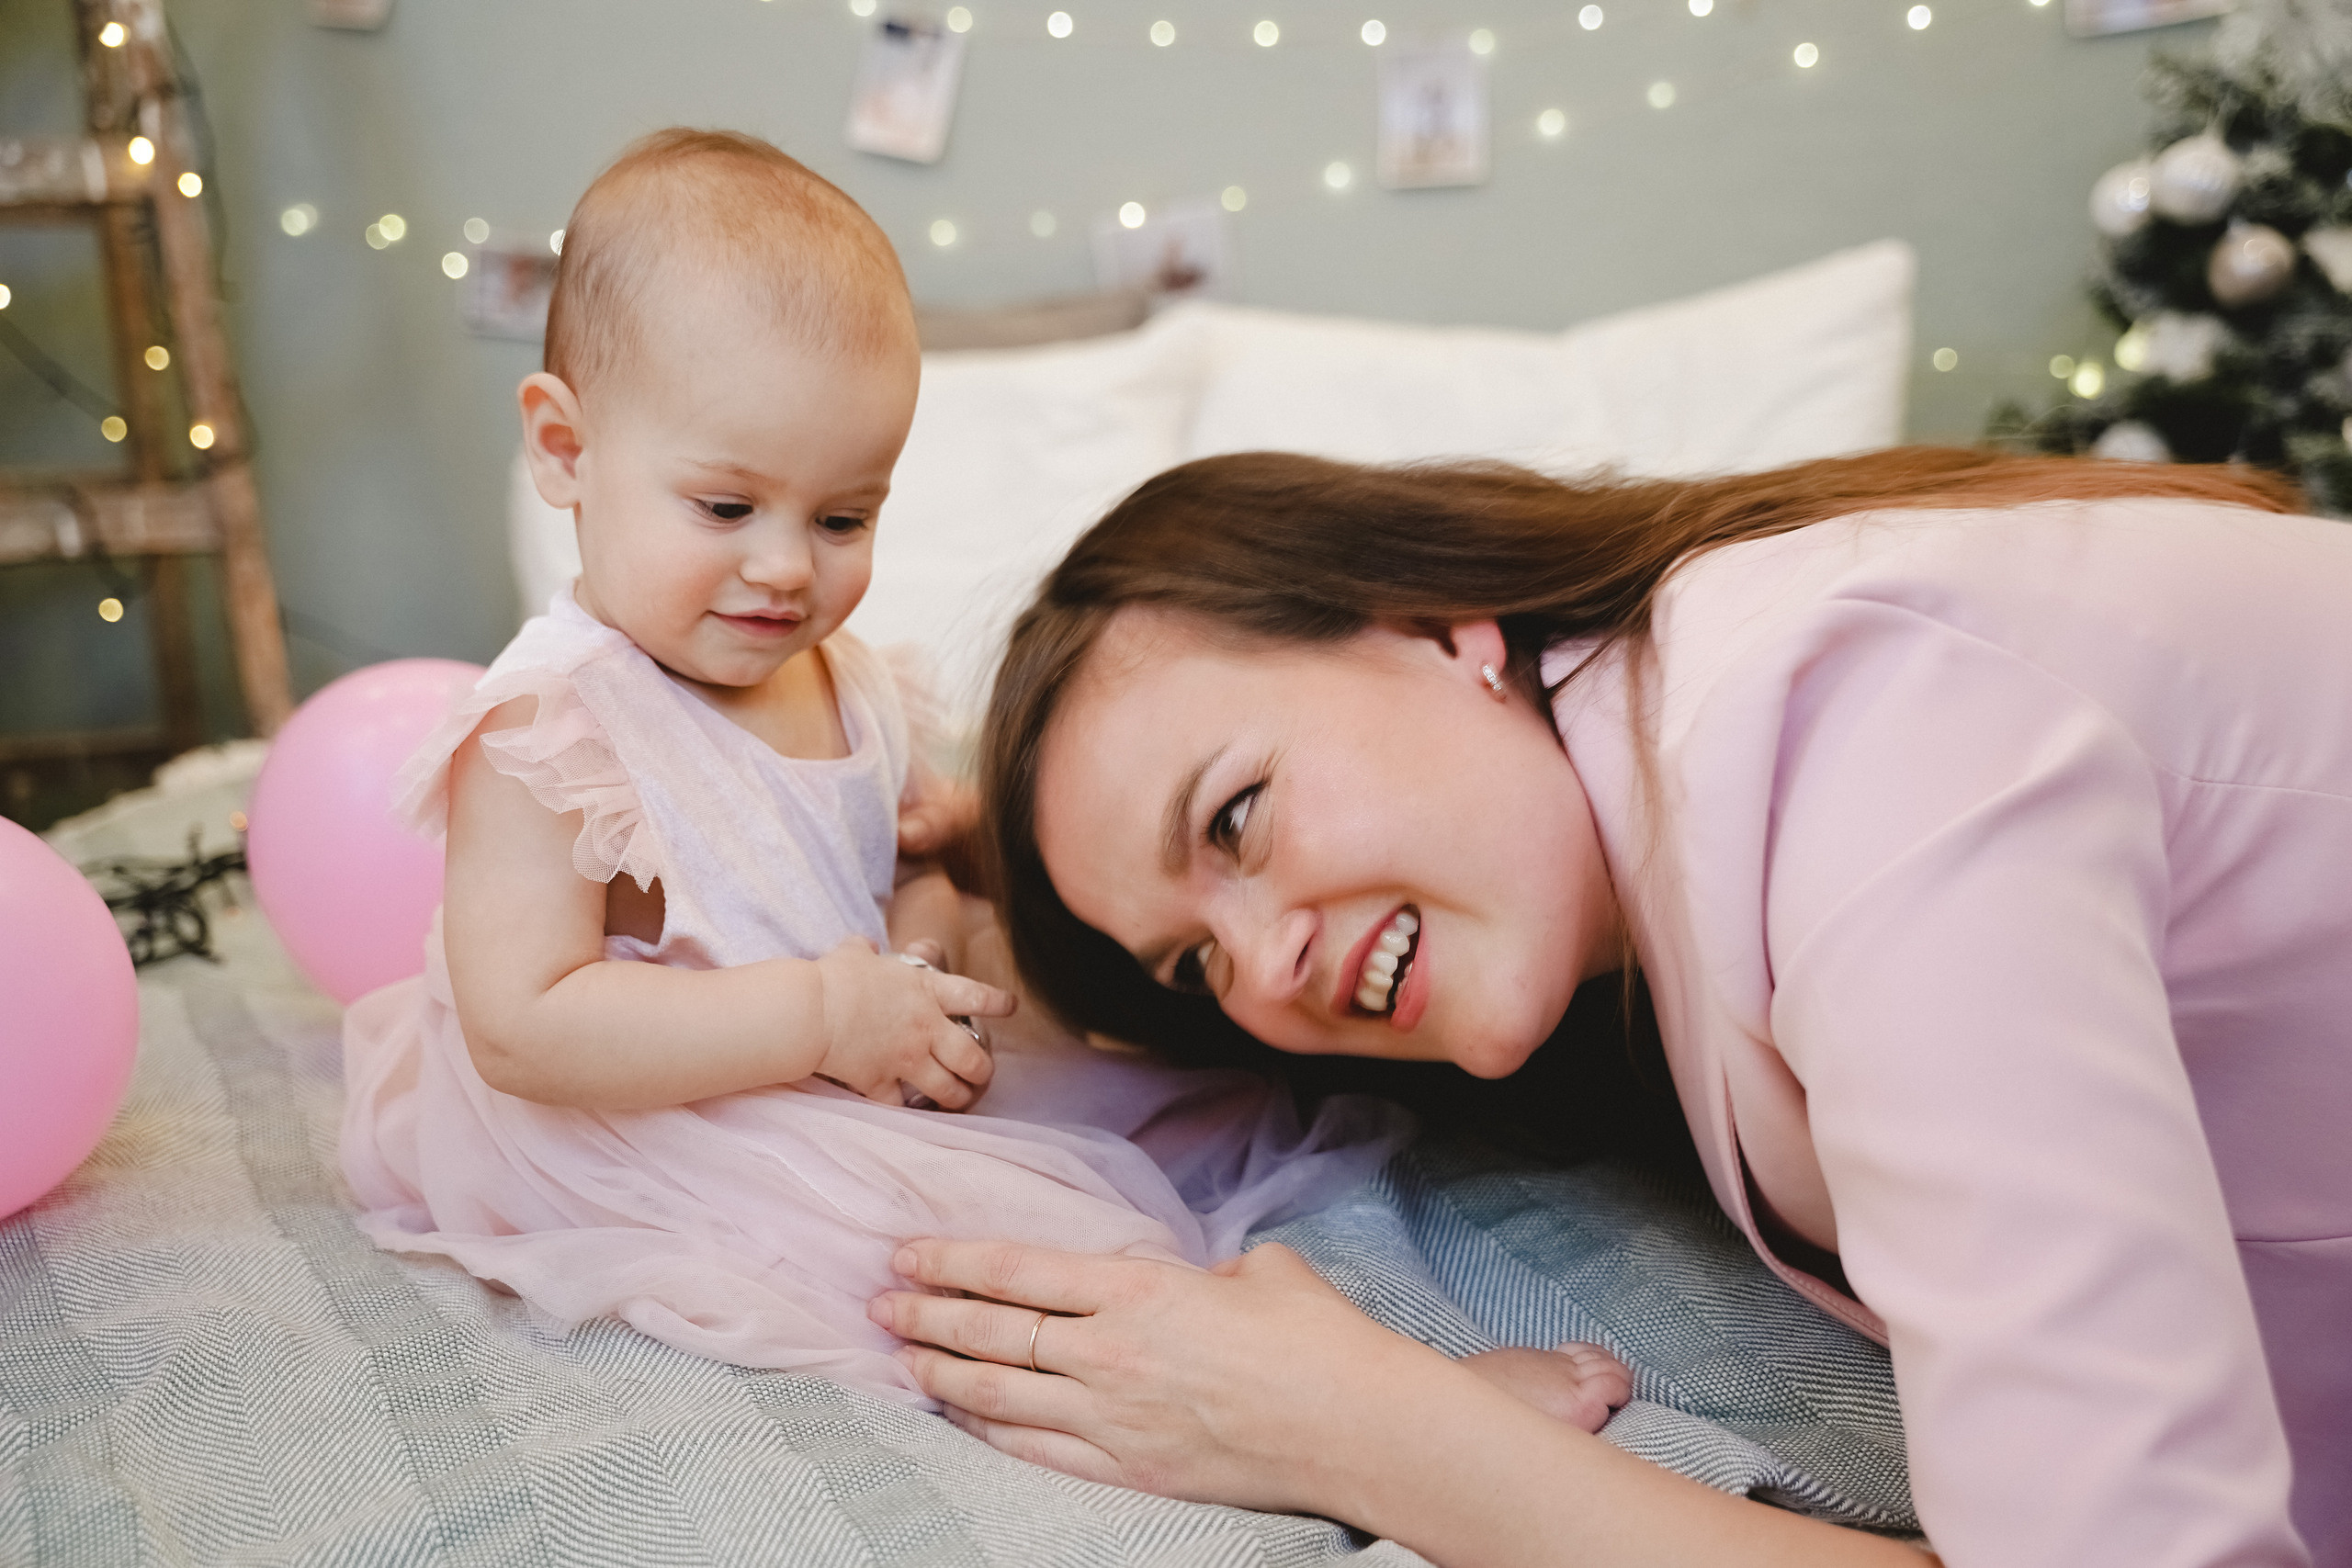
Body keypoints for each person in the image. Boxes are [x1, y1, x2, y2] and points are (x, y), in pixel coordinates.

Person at [869, 447, 2350, 1567]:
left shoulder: (1862, 756)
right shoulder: (1672, 812)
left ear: (1443, 630)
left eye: (1240, 818)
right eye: (1193, 962)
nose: (1262, 975)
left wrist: (1365, 1432)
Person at [337, 131, 1434, 1405]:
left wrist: (918, 944)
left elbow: (888, 867)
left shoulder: (845, 668)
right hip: (680, 1117)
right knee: (1032, 1265)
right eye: (728, 509)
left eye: (845, 517)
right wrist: (825, 1016)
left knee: (1189, 1090)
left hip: (869, 1052)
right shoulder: (554, 734)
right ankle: (1330, 1396)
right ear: (567, 452)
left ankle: (1346, 1361)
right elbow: (527, 1028)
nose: (790, 568)